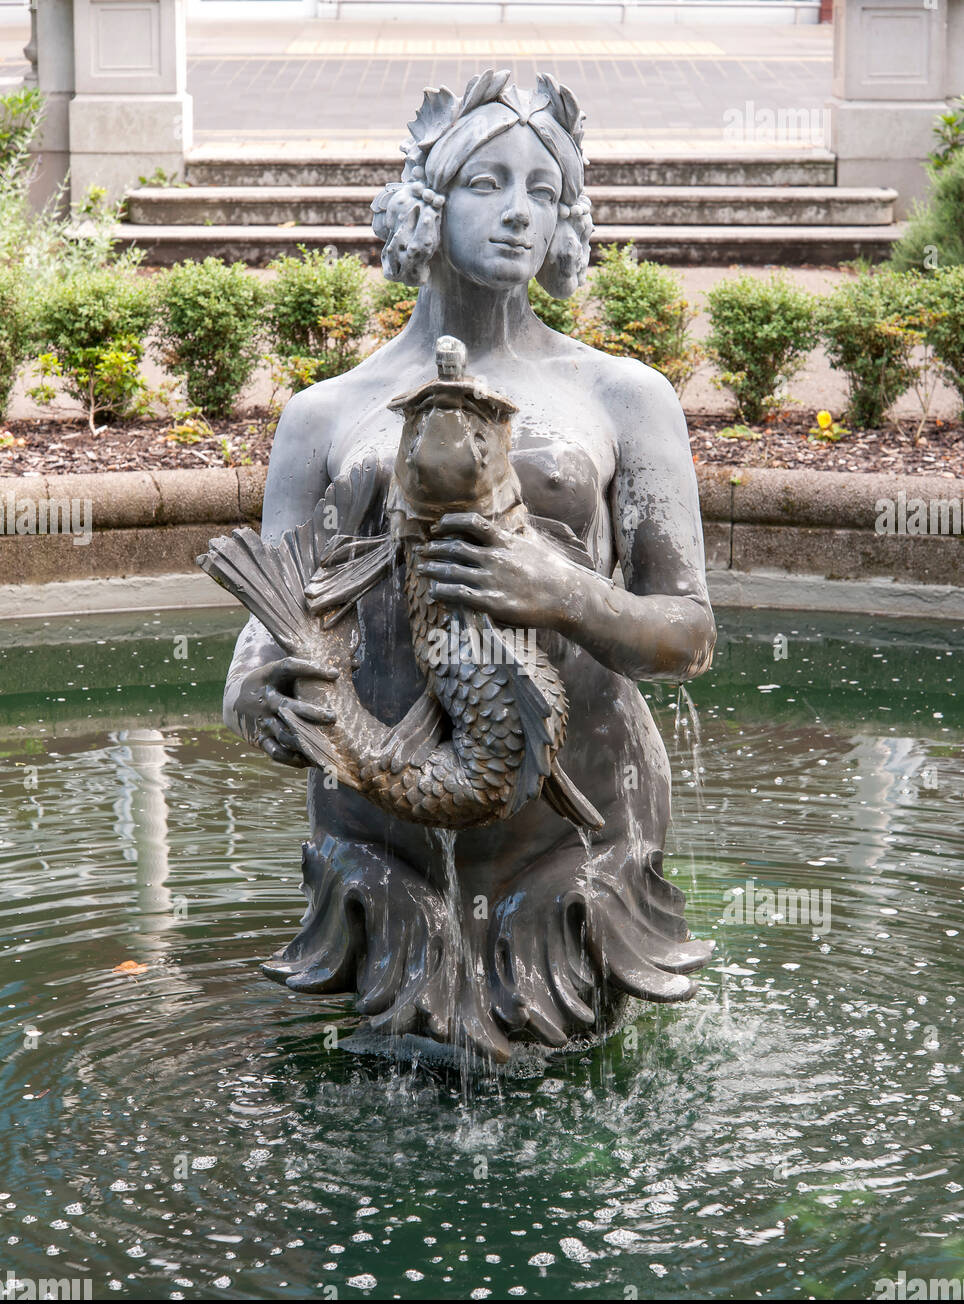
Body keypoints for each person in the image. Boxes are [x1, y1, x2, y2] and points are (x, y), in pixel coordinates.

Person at [221, 71, 716, 1063]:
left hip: (571, 837)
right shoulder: (325, 415)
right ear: (426, 202)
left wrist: (561, 588)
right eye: (488, 183)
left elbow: (688, 633)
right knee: (389, 1103)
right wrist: (252, 694)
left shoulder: (623, 396)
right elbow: (270, 615)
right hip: (381, 836)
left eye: (544, 189)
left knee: (577, 1115)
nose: (519, 212)